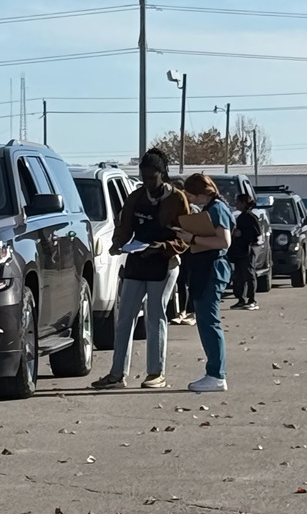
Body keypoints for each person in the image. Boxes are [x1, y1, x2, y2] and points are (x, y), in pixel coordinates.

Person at [90, 148, 189, 390]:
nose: (148, 182)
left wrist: (163, 246)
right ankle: (117, 375)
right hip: (137, 261)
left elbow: (186, 236)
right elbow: (125, 226)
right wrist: (118, 243)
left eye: (152, 177)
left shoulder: (177, 199)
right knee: (125, 318)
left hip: (164, 263)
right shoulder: (135, 197)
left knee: (155, 316)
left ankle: (156, 373)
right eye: (144, 177)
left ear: (162, 174)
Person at [174, 173, 236, 393]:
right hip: (206, 268)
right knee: (205, 320)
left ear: (201, 194)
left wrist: (191, 238)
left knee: (210, 322)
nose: (189, 199)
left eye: (191, 195)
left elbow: (224, 241)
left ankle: (216, 374)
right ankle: (214, 372)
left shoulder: (217, 208)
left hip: (212, 268)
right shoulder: (213, 207)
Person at [168, 176, 194, 326]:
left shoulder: (192, 209)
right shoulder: (171, 209)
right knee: (181, 281)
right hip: (178, 249)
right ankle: (182, 311)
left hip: (192, 249)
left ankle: (192, 312)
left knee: (192, 281)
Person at [228, 193, 262, 310]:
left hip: (247, 250)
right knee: (239, 276)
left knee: (249, 274)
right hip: (239, 250)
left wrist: (242, 234)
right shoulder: (241, 216)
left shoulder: (250, 217)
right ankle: (241, 299)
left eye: (238, 202)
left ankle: (252, 300)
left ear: (244, 203)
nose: (236, 204)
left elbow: (257, 234)